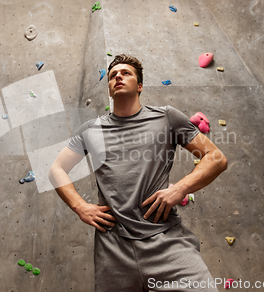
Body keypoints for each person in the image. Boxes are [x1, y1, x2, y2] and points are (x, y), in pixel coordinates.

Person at [49, 54, 227, 291]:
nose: (118, 77)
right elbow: (56, 169)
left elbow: (216, 158)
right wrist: (80, 207)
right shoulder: (91, 130)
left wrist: (181, 187)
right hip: (113, 250)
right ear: (110, 91)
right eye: (113, 76)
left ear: (140, 86)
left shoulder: (167, 117)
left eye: (126, 73)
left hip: (167, 242)